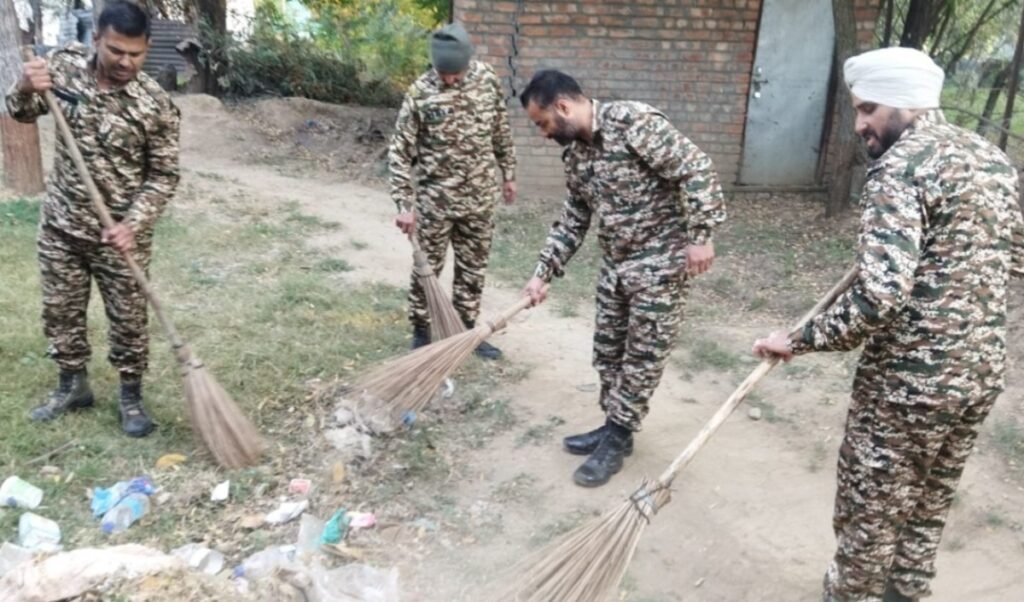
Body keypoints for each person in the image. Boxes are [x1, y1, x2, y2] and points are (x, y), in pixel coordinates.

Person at [752, 47, 1024, 602]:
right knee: (927, 503)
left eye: (869, 109)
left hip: (909, 386)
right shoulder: (991, 158)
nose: (860, 124)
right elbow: (1015, 260)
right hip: (979, 375)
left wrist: (797, 340)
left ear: (905, 104)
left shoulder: (899, 168)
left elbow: (878, 299)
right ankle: (907, 592)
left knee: (868, 515)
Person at [520, 70, 726, 487]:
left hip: (661, 263)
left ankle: (618, 436)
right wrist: (543, 273)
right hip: (617, 267)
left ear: (563, 107)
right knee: (608, 352)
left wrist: (701, 236)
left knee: (642, 356)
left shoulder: (634, 123)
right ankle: (614, 424)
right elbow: (574, 218)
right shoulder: (577, 155)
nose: (543, 134)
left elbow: (695, 168)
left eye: (543, 123)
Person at [6, 1, 181, 437]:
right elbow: (21, 112)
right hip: (62, 224)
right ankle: (72, 386)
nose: (126, 62)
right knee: (60, 312)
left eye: (136, 54)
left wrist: (133, 223)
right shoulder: (63, 69)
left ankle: (131, 397)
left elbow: (163, 176)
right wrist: (25, 86)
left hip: (120, 236)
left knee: (128, 319)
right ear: (97, 39)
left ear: (147, 48)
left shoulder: (154, 105)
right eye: (116, 51)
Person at [388, 21, 516, 359]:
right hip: (435, 204)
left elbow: (500, 130)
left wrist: (509, 173)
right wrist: (404, 202)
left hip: (479, 200)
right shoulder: (420, 92)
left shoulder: (487, 80)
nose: (449, 79)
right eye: (443, 73)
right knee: (426, 270)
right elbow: (399, 151)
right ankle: (421, 331)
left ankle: (465, 332)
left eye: (455, 73)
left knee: (473, 271)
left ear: (467, 62)